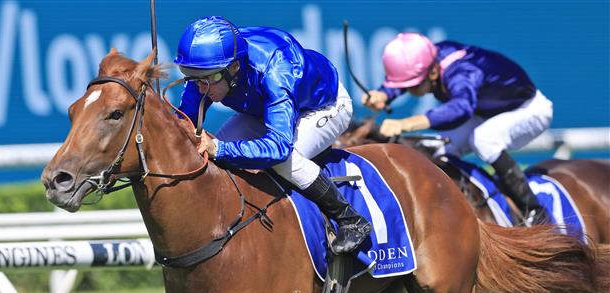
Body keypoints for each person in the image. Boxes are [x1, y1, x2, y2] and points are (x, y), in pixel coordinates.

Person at [174, 16, 372, 254]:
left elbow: (278, 147)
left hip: (324, 105)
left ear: (235, 67)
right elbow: (185, 122)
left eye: (209, 79)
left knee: (284, 162)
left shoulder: (276, 70)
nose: (200, 88)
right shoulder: (210, 70)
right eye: (192, 77)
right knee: (211, 157)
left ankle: (350, 219)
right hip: (263, 110)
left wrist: (220, 148)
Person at [363, 33, 553, 225]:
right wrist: (384, 93)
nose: (409, 91)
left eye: (412, 87)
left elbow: (461, 109)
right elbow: (412, 75)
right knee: (440, 151)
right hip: (484, 111)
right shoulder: (430, 59)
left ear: (433, 74)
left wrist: (405, 124)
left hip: (528, 109)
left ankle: (535, 212)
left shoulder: (462, 72)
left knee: (484, 140)